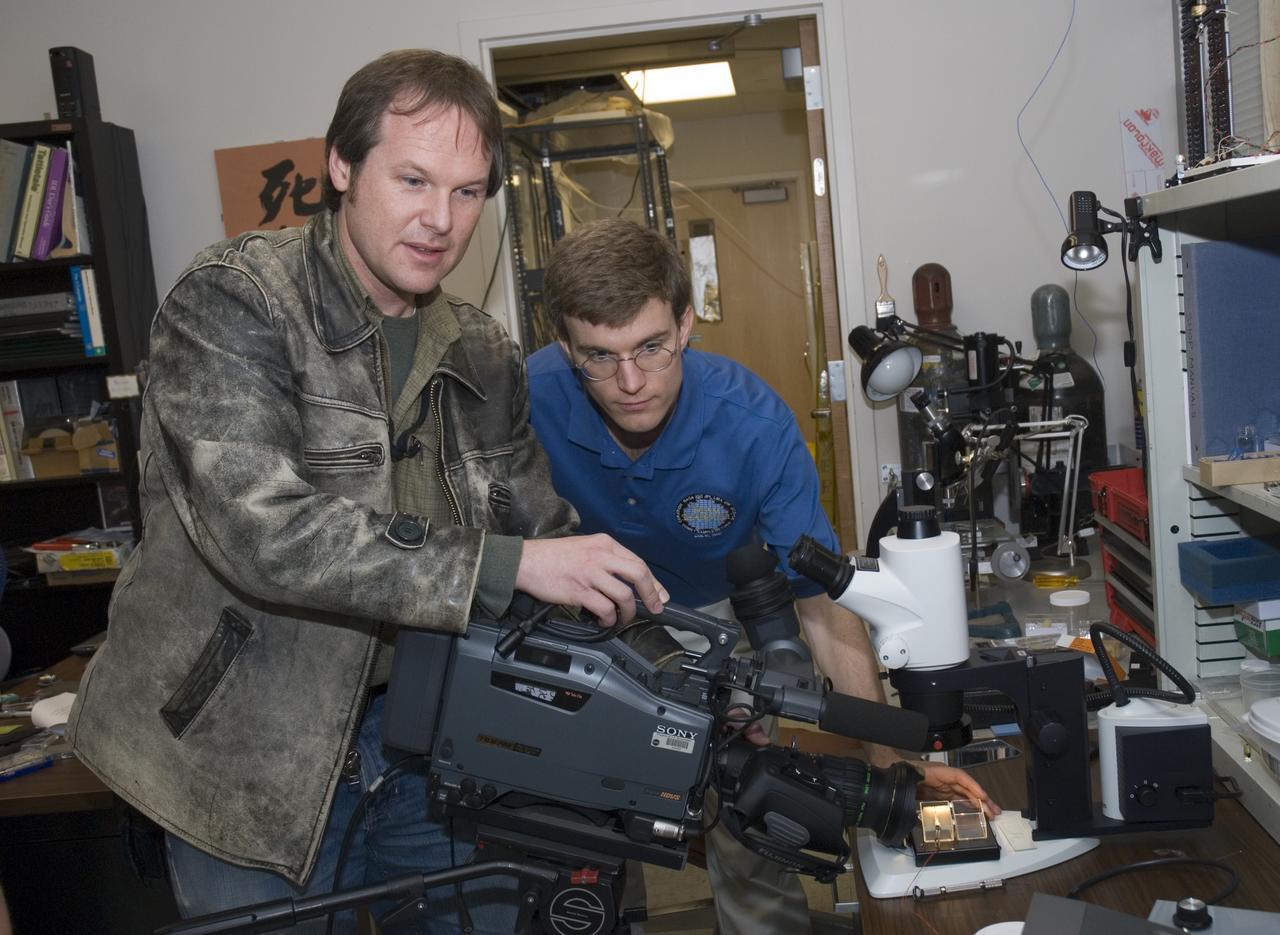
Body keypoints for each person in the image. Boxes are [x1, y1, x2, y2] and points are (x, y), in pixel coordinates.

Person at [66, 51, 668, 934]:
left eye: (467, 192)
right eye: (414, 180)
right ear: (342, 166)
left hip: (430, 748)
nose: (441, 220)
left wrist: (667, 671)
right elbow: (266, 532)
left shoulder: (483, 351)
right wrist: (503, 564)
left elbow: (541, 533)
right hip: (245, 763)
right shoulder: (235, 302)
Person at [527, 218, 998, 934]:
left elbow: (824, 609)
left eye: (651, 347)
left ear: (686, 323)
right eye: (599, 356)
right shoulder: (524, 402)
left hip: (721, 622)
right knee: (578, 844)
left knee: (756, 817)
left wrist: (892, 766)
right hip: (583, 622)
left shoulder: (753, 424)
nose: (630, 382)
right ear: (566, 348)